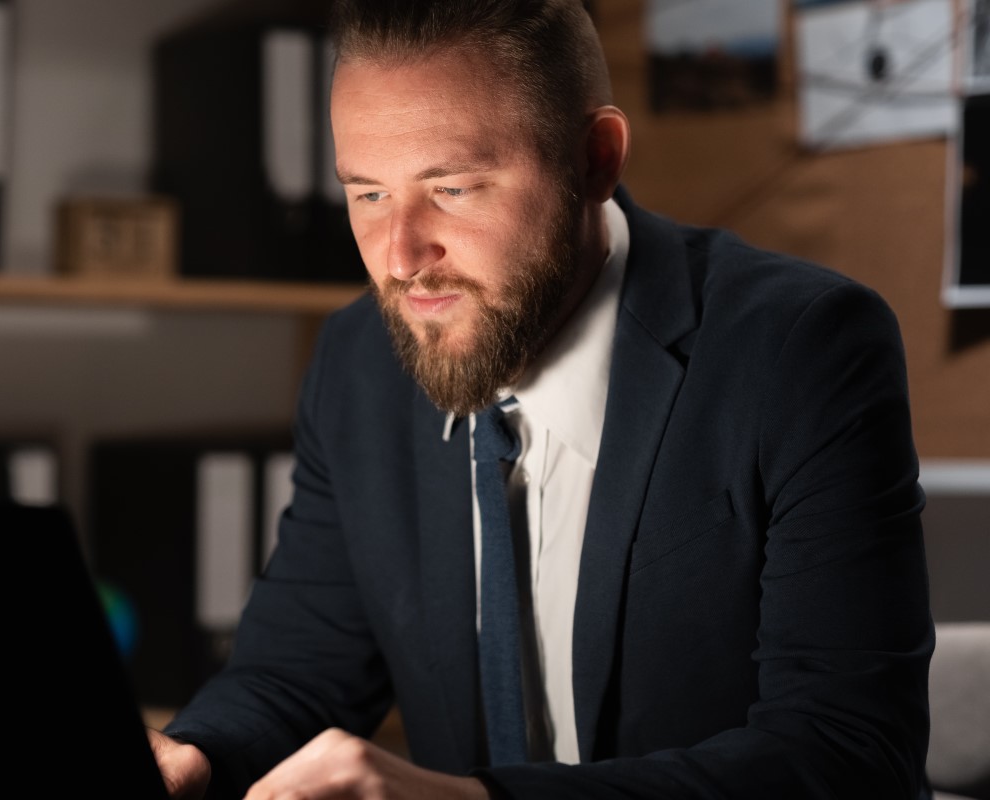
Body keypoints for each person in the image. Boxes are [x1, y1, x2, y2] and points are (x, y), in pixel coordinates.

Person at [147, 1, 935, 798]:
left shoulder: (803, 349)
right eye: (368, 194)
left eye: (451, 188)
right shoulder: (359, 361)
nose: (400, 260)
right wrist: (194, 756)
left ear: (596, 159)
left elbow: (848, 754)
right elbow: (295, 672)